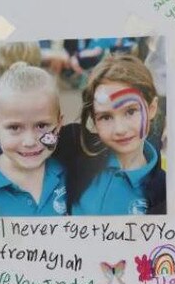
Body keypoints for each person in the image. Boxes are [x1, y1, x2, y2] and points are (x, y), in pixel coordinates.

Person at [68, 54, 166, 215]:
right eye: (105, 117)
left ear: (151, 109)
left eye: (130, 111)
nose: (119, 129)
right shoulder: (72, 159)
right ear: (94, 119)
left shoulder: (165, 190)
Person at [0, 62, 66, 216]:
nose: (30, 142)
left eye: (42, 125)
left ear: (58, 126)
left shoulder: (72, 172)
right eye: (15, 128)